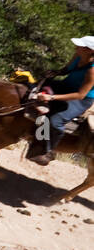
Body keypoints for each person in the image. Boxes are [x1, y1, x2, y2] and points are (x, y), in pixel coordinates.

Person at [27, 36, 94, 165]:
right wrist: (56, 72)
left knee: (56, 121)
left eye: (80, 46)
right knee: (34, 87)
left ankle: (47, 151)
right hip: (66, 86)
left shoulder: (92, 71)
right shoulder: (78, 55)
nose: (76, 47)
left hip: (81, 99)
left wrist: (51, 97)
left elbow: (80, 95)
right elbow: (67, 69)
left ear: (89, 50)